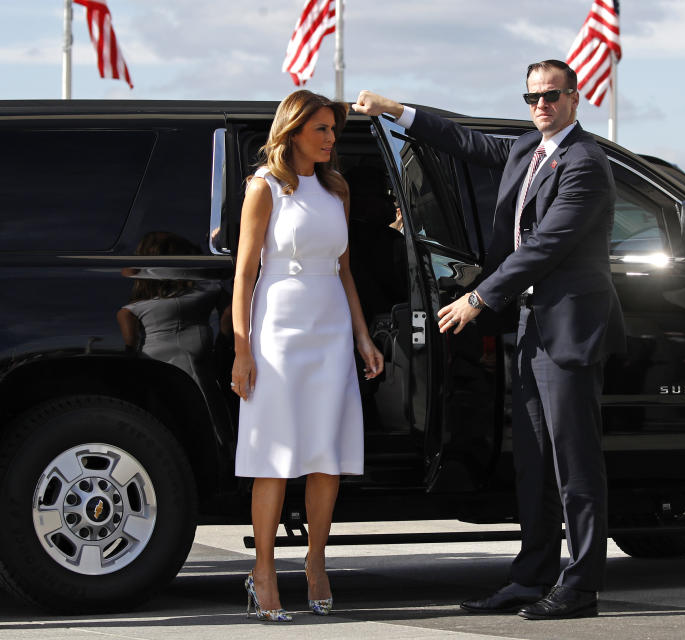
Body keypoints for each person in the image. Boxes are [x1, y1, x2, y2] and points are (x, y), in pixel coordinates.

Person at [353, 59, 626, 620]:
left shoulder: (586, 164)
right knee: (533, 461)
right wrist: (394, 109)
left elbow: (545, 246)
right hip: (531, 326)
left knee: (574, 466)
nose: (540, 106)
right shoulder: (529, 150)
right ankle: (531, 579)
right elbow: (462, 140)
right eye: (531, 98)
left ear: (576, 98)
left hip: (569, 330)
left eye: (551, 96)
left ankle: (582, 587)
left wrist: (478, 298)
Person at [232, 90, 384, 622]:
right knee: (273, 458)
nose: (330, 139)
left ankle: (316, 562)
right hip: (277, 327)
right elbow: (245, 273)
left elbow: (344, 272)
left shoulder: (335, 189)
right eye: (321, 129)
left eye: (333, 130)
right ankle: (263, 571)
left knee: (327, 456)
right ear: (294, 130)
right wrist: (242, 349)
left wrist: (362, 337)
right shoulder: (265, 187)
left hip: (330, 327)